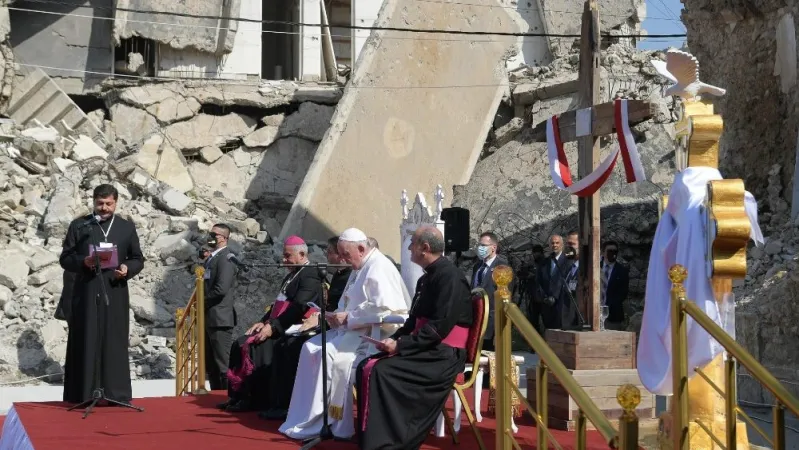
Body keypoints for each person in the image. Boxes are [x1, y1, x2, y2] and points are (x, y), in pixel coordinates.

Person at [279, 228, 411, 439]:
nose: (343, 259)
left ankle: (332, 422)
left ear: (361, 248)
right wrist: (337, 315)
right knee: (309, 347)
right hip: (355, 330)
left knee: (326, 354)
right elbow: (350, 301)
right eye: (340, 254)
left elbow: (385, 310)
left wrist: (349, 318)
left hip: (375, 336)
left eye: (346, 254)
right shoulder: (361, 266)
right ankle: (307, 418)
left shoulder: (379, 268)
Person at [355, 225, 473, 449]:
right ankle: (373, 438)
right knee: (366, 365)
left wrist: (402, 345)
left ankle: (391, 440)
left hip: (444, 354)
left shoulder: (450, 278)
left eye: (412, 244)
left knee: (381, 371)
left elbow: (440, 327)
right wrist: (393, 341)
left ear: (425, 248)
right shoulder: (426, 279)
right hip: (428, 347)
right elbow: (412, 323)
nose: (409, 248)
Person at [59, 184, 145, 404]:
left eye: (108, 203)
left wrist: (127, 269)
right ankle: (84, 393)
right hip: (86, 290)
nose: (104, 208)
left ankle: (115, 393)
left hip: (115, 289)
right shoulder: (80, 225)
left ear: (116, 202)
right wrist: (83, 261)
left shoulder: (126, 227)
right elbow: (65, 258)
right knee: (86, 339)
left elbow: (137, 258)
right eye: (100, 203)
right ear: (93, 201)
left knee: (113, 339)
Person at [219, 236, 324, 412]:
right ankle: (237, 396)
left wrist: (273, 327)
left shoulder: (310, 274)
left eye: (287, 256)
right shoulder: (292, 275)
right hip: (278, 324)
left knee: (255, 346)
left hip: (293, 327)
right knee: (240, 342)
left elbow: (298, 307)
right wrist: (262, 322)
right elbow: (277, 305)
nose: (284, 260)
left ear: (302, 254)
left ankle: (253, 399)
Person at [203, 224, 237, 391]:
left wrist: (202, 301)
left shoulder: (226, 258)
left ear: (223, 238)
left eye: (213, 234)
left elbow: (221, 288)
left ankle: (227, 396)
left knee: (222, 365)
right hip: (210, 317)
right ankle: (216, 397)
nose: (209, 237)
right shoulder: (213, 257)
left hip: (220, 318)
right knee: (212, 366)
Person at [471, 231, 511, 351]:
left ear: (494, 247)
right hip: (477, 318)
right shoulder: (477, 266)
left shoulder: (502, 267)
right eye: (479, 245)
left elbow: (505, 296)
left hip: (492, 321)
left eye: (483, 246)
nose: (480, 248)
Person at [601, 241, 629, 330]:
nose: (613, 254)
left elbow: (623, 293)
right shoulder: (595, 267)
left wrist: (608, 307)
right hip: (594, 313)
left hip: (612, 316)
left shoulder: (622, 271)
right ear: (603, 252)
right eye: (610, 251)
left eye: (615, 251)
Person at [325, 236, 353, 311]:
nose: (327, 254)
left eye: (330, 252)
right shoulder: (337, 273)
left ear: (340, 255)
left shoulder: (350, 276)